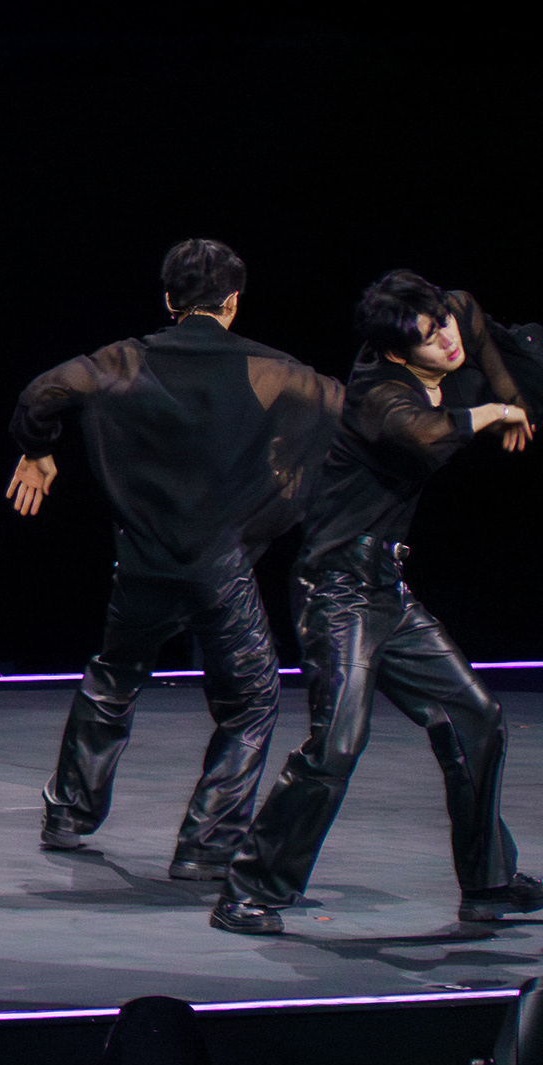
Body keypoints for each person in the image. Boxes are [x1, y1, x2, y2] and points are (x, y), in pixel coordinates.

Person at [213, 271, 540, 934]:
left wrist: (512, 395)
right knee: (337, 744)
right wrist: (491, 412)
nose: (447, 341)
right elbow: (425, 433)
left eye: (442, 324)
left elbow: (476, 323)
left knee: (476, 719)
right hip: (336, 591)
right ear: (396, 351)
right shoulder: (378, 394)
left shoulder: (453, 318)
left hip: (386, 587)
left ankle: (488, 883)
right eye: (429, 337)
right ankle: (249, 890)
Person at [7, 238, 343, 878]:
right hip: (217, 567)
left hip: (142, 562)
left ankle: (69, 814)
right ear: (233, 302)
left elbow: (42, 392)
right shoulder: (271, 370)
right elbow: (342, 410)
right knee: (250, 701)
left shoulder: (125, 360)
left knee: (114, 677)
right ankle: (206, 844)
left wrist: (38, 448)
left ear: (169, 300)